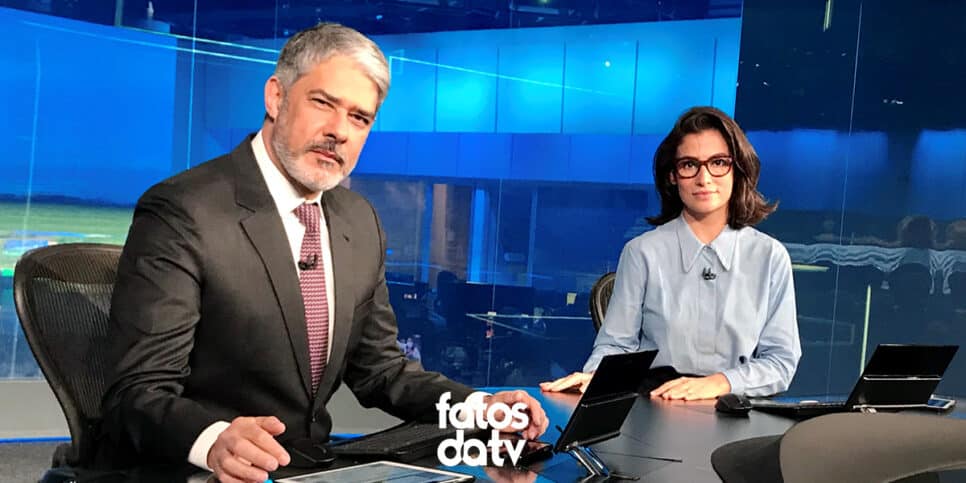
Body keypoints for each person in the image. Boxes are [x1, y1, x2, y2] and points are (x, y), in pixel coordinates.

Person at [99, 23, 546, 482]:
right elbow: (137, 391)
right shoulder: (183, 210)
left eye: (359, 118)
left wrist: (479, 408)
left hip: (312, 468)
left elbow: (382, 370)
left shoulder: (359, 220)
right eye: (323, 103)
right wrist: (214, 440)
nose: (339, 132)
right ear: (276, 98)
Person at [540, 106, 801, 400]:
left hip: (735, 406)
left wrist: (721, 382)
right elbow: (615, 345)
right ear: (673, 176)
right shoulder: (642, 252)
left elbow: (780, 362)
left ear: (738, 169)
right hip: (656, 404)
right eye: (689, 165)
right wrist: (599, 379)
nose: (704, 179)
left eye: (718, 162)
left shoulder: (769, 256)